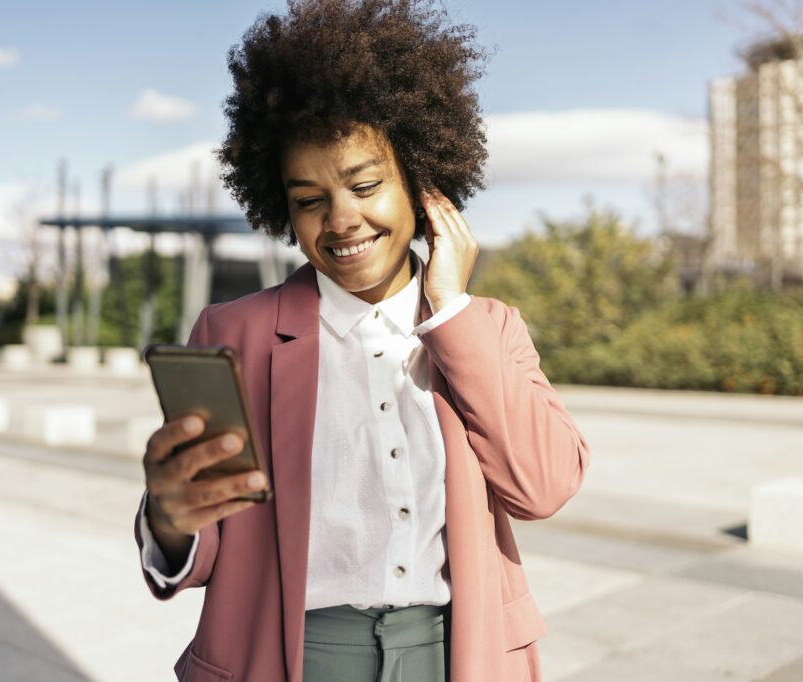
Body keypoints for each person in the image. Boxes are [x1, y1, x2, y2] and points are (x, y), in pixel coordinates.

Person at [134, 1, 590, 680]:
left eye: (365, 184)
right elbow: (205, 533)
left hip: (456, 655)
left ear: (422, 182)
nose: (341, 220)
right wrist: (169, 520)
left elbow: (543, 488)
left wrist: (450, 314)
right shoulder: (235, 335)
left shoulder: (488, 328)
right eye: (309, 199)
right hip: (296, 658)